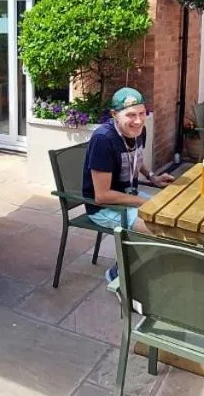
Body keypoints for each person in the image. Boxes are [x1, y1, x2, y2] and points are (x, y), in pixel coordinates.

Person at [82, 87, 174, 281]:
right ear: (114, 115)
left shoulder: (139, 130)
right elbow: (102, 195)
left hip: (128, 197)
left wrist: (151, 176)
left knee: (170, 215)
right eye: (131, 115)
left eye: (142, 113)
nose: (139, 120)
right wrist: (141, 202)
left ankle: (151, 270)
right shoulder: (103, 139)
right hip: (103, 207)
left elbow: (135, 158)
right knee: (156, 228)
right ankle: (119, 273)